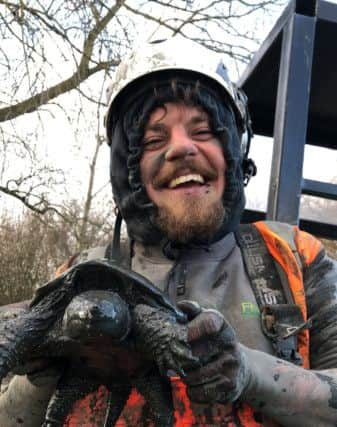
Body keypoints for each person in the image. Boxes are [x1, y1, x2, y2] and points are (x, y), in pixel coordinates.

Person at [1, 38, 337, 426]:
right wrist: (38, 378)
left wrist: (251, 373)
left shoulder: (292, 256)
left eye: (204, 130)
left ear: (234, 152)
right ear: (125, 169)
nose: (181, 148)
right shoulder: (74, 275)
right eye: (153, 140)